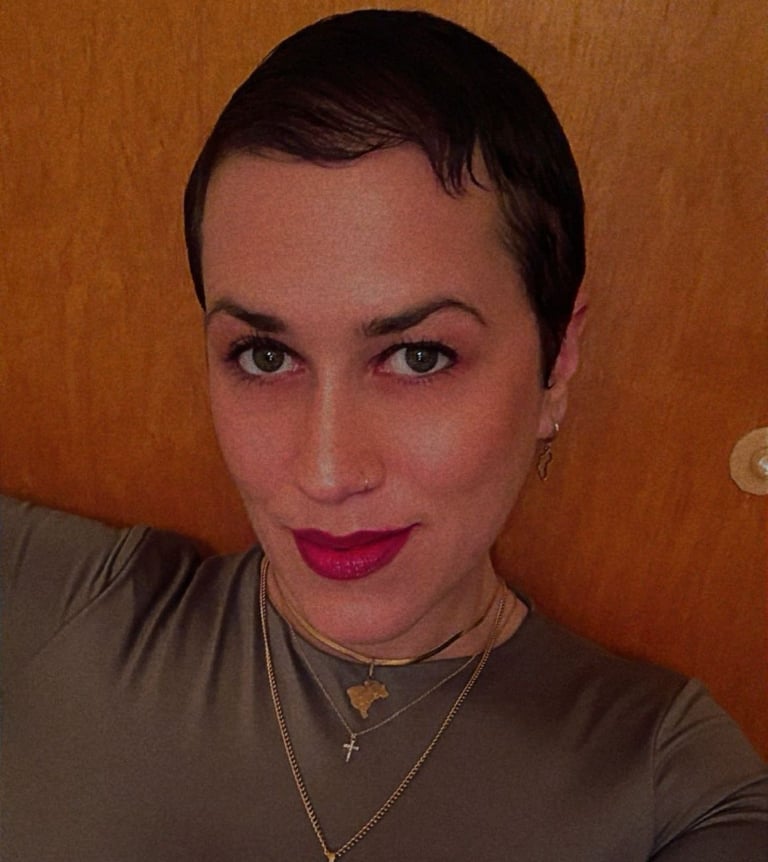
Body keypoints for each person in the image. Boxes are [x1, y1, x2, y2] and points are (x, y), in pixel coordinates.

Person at [1, 9, 766, 861]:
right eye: (264, 355)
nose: (327, 471)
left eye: (419, 356)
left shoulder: (671, 796)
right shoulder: (51, 609)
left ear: (558, 359)